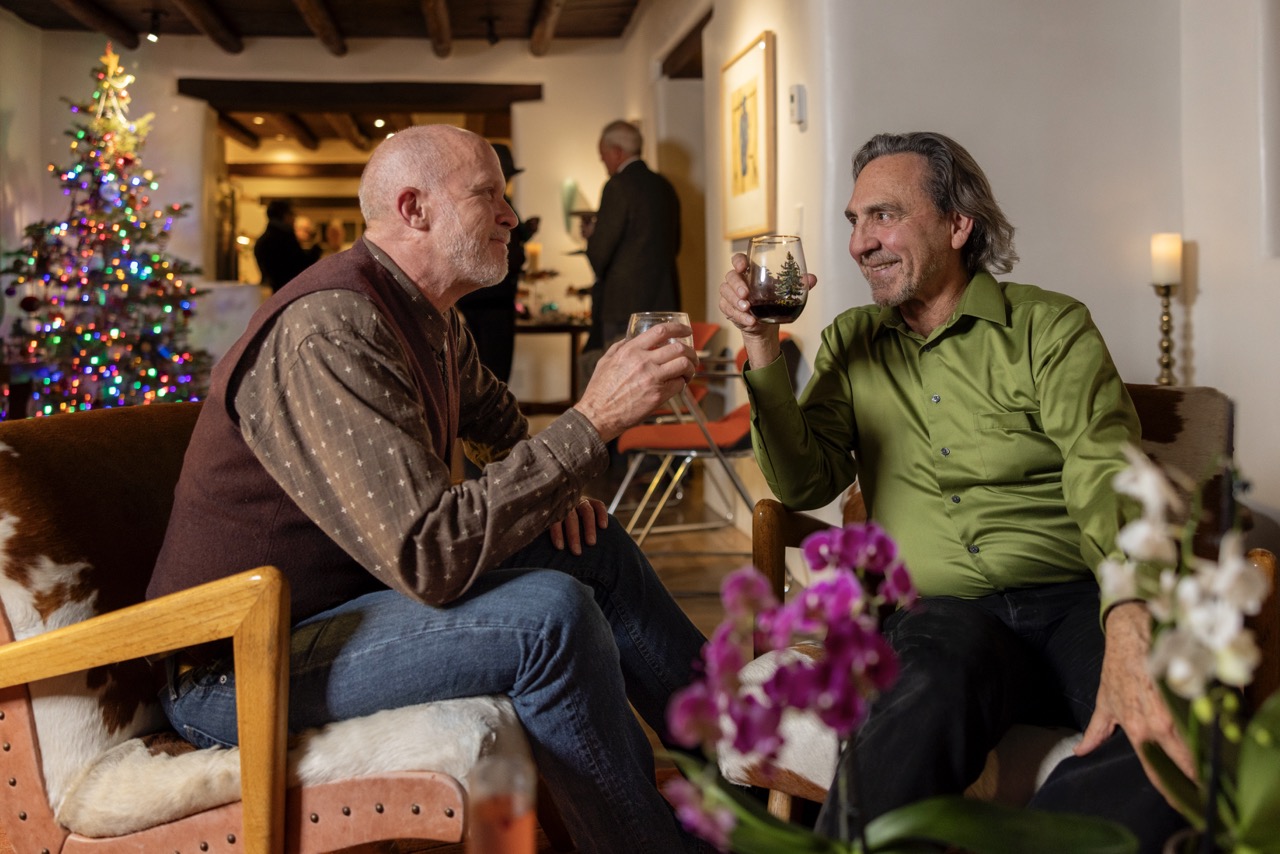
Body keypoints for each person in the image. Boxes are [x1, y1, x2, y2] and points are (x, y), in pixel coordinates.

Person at [149, 125, 710, 854]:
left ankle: (750, 756)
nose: (511, 215)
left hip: (339, 607)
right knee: (550, 616)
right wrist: (593, 419)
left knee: (589, 546)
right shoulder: (331, 326)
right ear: (413, 209)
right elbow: (429, 556)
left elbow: (500, 427)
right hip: (236, 665)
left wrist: (558, 493)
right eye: (490, 195)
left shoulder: (429, 317)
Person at [717, 131, 1188, 853]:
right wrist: (762, 347)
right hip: (943, 615)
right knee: (928, 680)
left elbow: (1104, 469)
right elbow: (805, 480)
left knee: (1174, 713)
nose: (859, 244)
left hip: (1074, 599)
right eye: (853, 222)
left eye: (883, 216)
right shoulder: (851, 343)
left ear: (958, 225)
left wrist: (1128, 609)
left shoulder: (1048, 327)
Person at [580, 119, 682, 383]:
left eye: (603, 157)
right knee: (658, 380)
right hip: (664, 299)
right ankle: (656, 427)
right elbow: (676, 244)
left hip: (623, 306)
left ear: (616, 152)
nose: (604, 164)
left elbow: (602, 252)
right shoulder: (665, 186)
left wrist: (592, 238)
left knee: (621, 383)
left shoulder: (617, 186)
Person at [455, 142, 540, 384]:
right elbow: (503, 250)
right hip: (493, 298)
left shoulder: (477, 202)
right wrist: (519, 253)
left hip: (476, 297)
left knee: (481, 370)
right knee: (494, 373)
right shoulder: (491, 202)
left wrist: (524, 234)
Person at [253, 199, 319, 292]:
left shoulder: (263, 240)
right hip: (287, 294)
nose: (293, 219)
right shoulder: (285, 238)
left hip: (272, 295)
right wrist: (316, 250)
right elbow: (300, 267)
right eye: (292, 215)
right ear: (285, 216)